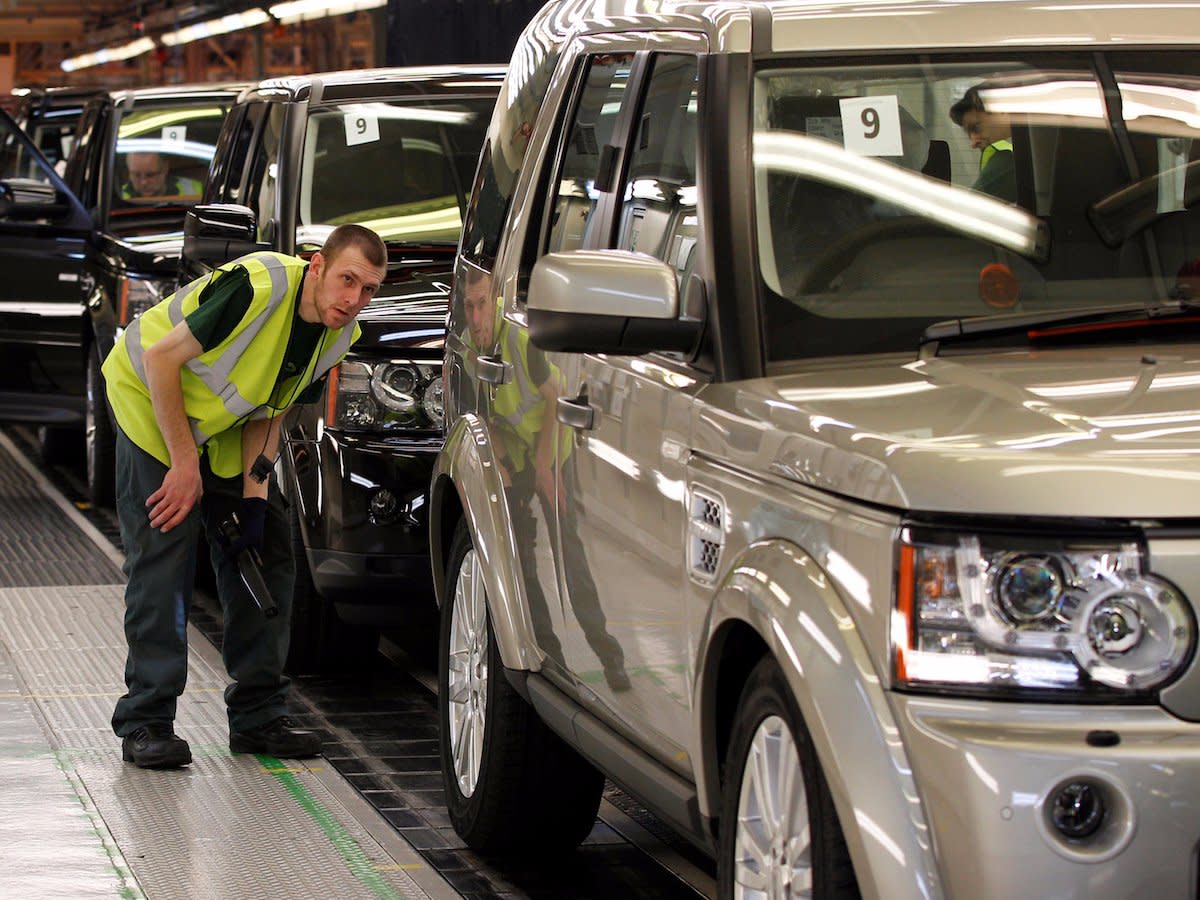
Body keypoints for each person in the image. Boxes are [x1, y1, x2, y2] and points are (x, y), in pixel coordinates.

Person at [103, 223, 389, 768]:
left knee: (266, 554)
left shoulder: (338, 335)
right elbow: (162, 359)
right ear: (318, 266)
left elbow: (274, 407)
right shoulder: (257, 286)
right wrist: (184, 464)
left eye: (369, 289)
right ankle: (146, 721)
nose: (354, 300)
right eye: (347, 279)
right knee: (165, 556)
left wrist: (255, 500)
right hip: (150, 404)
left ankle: (258, 716)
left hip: (222, 428)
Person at [460, 265, 630, 692]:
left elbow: (555, 402)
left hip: (553, 451)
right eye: (468, 307)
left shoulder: (522, 339)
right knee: (523, 560)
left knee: (570, 556)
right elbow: (483, 408)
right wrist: (499, 463)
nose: (477, 318)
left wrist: (543, 471)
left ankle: (609, 655)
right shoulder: (468, 344)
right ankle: (551, 660)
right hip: (516, 454)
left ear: (498, 300)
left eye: (483, 305)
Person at [949, 86, 1016, 202]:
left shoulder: (1007, 160)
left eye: (976, 128)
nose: (973, 143)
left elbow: (972, 210)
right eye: (969, 134)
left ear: (1001, 110)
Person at [120, 151, 203, 199]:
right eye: (136, 175)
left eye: (150, 175)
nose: (143, 182)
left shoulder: (196, 191)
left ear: (165, 168)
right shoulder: (117, 198)